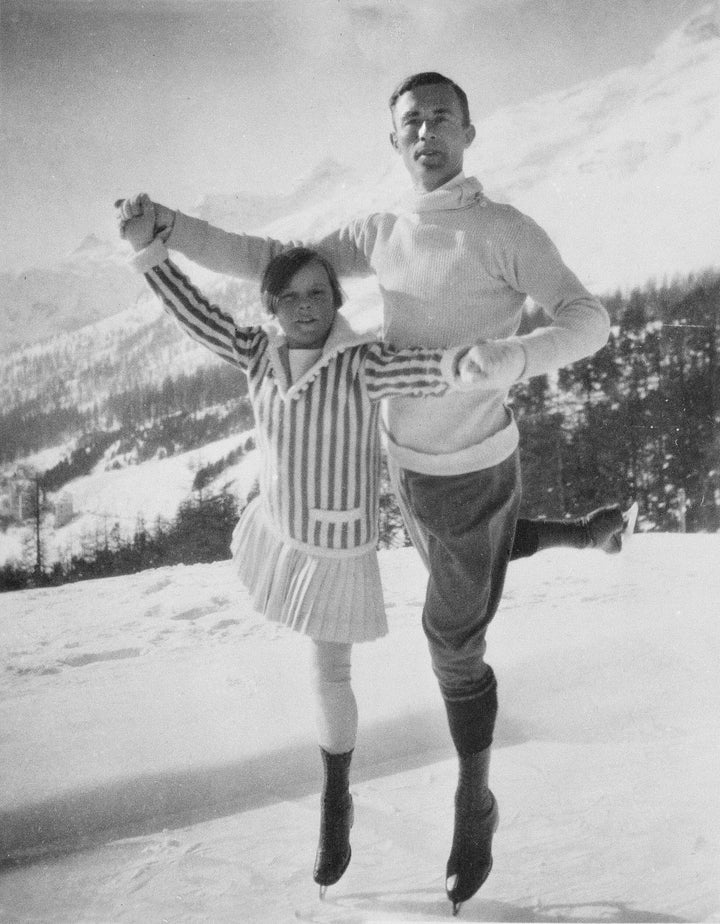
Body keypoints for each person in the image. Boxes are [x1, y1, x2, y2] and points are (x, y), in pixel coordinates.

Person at [117, 70, 612, 913]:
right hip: (401, 467)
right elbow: (267, 261)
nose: (427, 133)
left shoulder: (505, 230)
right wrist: (168, 228)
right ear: (394, 141)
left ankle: (474, 797)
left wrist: (516, 357)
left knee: (450, 641)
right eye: (412, 122)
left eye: (442, 119)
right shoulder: (382, 232)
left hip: (473, 466)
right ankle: (574, 532)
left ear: (469, 132)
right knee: (461, 563)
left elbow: (589, 318)